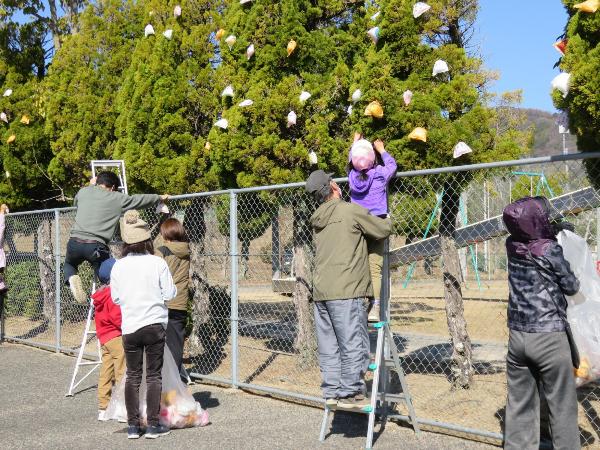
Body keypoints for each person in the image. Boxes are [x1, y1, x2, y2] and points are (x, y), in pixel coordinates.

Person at [305, 170, 392, 410]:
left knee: (329, 344)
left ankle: (332, 391)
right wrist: (387, 217)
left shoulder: (317, 217)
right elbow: (382, 229)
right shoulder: (349, 210)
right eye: (334, 181)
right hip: (346, 289)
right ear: (333, 187)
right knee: (353, 341)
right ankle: (351, 392)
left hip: (321, 291)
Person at [502, 196, 580, 450]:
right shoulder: (550, 249)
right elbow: (571, 286)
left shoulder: (511, 244)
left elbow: (530, 242)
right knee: (562, 407)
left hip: (517, 338)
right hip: (549, 337)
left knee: (519, 406)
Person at [110, 210, 177, 440]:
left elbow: (116, 298)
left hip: (130, 326)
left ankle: (132, 426)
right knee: (153, 376)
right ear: (147, 239)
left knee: (133, 376)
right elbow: (169, 292)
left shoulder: (118, 266)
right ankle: (153, 425)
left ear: (126, 242)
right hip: (155, 323)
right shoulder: (157, 262)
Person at [65, 171, 166, 304]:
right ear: (112, 187)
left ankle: (71, 277)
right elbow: (138, 200)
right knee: (109, 276)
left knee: (69, 264)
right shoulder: (116, 197)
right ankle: (110, 302)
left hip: (74, 242)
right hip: (96, 245)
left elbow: (76, 201)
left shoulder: (84, 192)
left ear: (97, 182)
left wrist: (90, 186)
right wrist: (159, 197)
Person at [347, 134, 397, 322]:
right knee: (375, 267)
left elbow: (350, 162)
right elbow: (393, 166)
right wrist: (382, 150)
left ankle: (357, 304)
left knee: (358, 265)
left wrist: (354, 144)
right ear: (373, 158)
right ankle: (374, 308)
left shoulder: (352, 177)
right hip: (376, 225)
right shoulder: (380, 174)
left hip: (358, 226)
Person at [154, 218, 190, 375]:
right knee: (175, 345)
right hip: (180, 302)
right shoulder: (186, 250)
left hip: (162, 302)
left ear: (164, 234)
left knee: (157, 345)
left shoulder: (161, 251)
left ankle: (160, 382)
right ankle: (174, 383)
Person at [91, 258, 125, 422]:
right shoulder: (113, 294)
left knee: (106, 371)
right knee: (122, 371)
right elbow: (117, 317)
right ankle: (123, 406)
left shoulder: (101, 294)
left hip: (104, 338)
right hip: (117, 337)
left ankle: (103, 407)